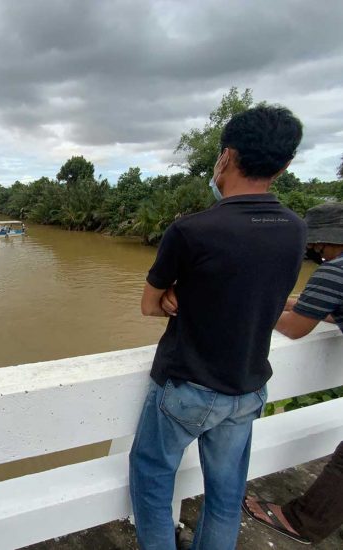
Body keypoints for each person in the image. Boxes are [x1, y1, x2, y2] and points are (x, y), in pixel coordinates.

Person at [130, 105, 306, 550]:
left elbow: (150, 305)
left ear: (225, 157)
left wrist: (176, 296)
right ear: (284, 166)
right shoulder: (296, 229)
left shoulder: (191, 231)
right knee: (227, 495)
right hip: (246, 391)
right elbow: (257, 292)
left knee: (152, 479)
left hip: (187, 387)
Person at [243, 202, 343, 545]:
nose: (316, 252)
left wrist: (255, 307)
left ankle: (302, 522)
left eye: (317, 246)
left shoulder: (335, 272)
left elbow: (296, 327)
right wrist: (278, 299)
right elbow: (316, 306)